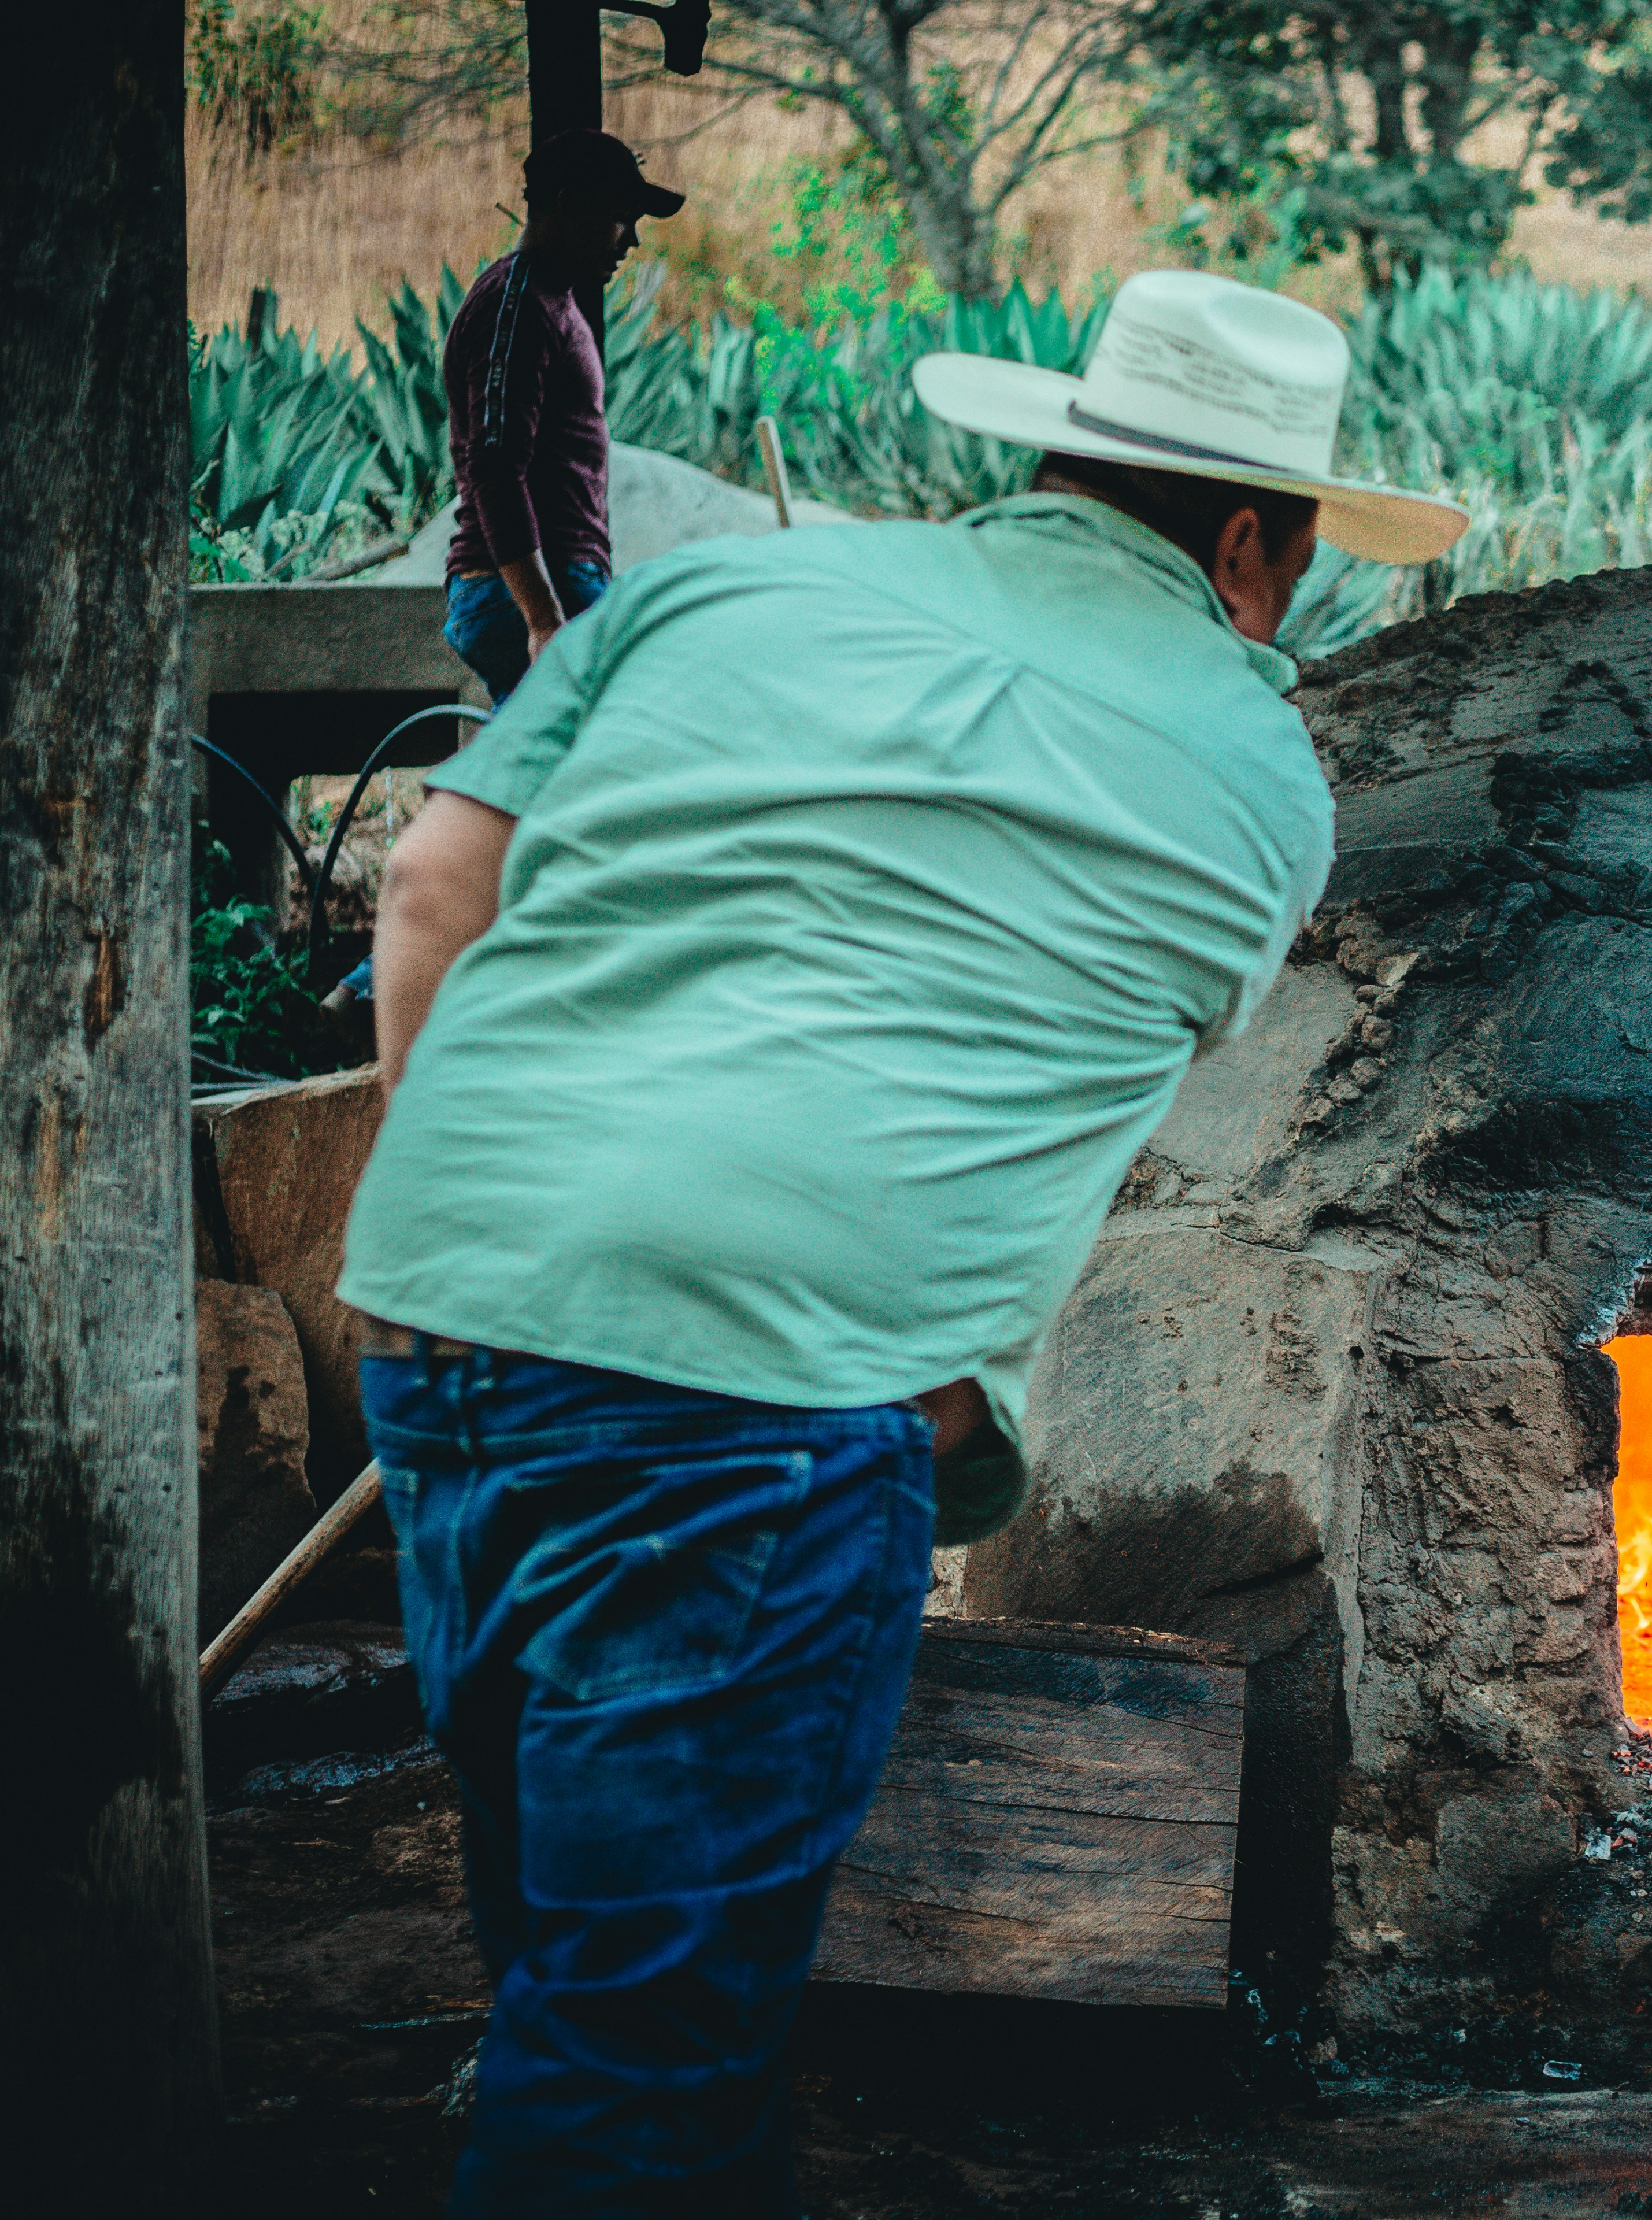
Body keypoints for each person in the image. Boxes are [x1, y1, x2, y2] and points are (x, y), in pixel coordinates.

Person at [335, 269, 1464, 2215]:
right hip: (760, 1410)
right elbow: (1034, 1089)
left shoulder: (718, 594)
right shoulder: (1262, 778)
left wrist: (463, 1246)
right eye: (1289, 567)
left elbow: (439, 881)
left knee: (580, 1972)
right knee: (637, 2056)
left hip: (449, 1333)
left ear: (1042, 456)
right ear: (1251, 541)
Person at [440, 129, 684, 702]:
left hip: (552, 584)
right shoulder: (515, 306)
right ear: (568, 204)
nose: (632, 242)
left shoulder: (546, 300)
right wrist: (544, 619)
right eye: (621, 217)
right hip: (526, 590)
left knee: (554, 781)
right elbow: (495, 466)